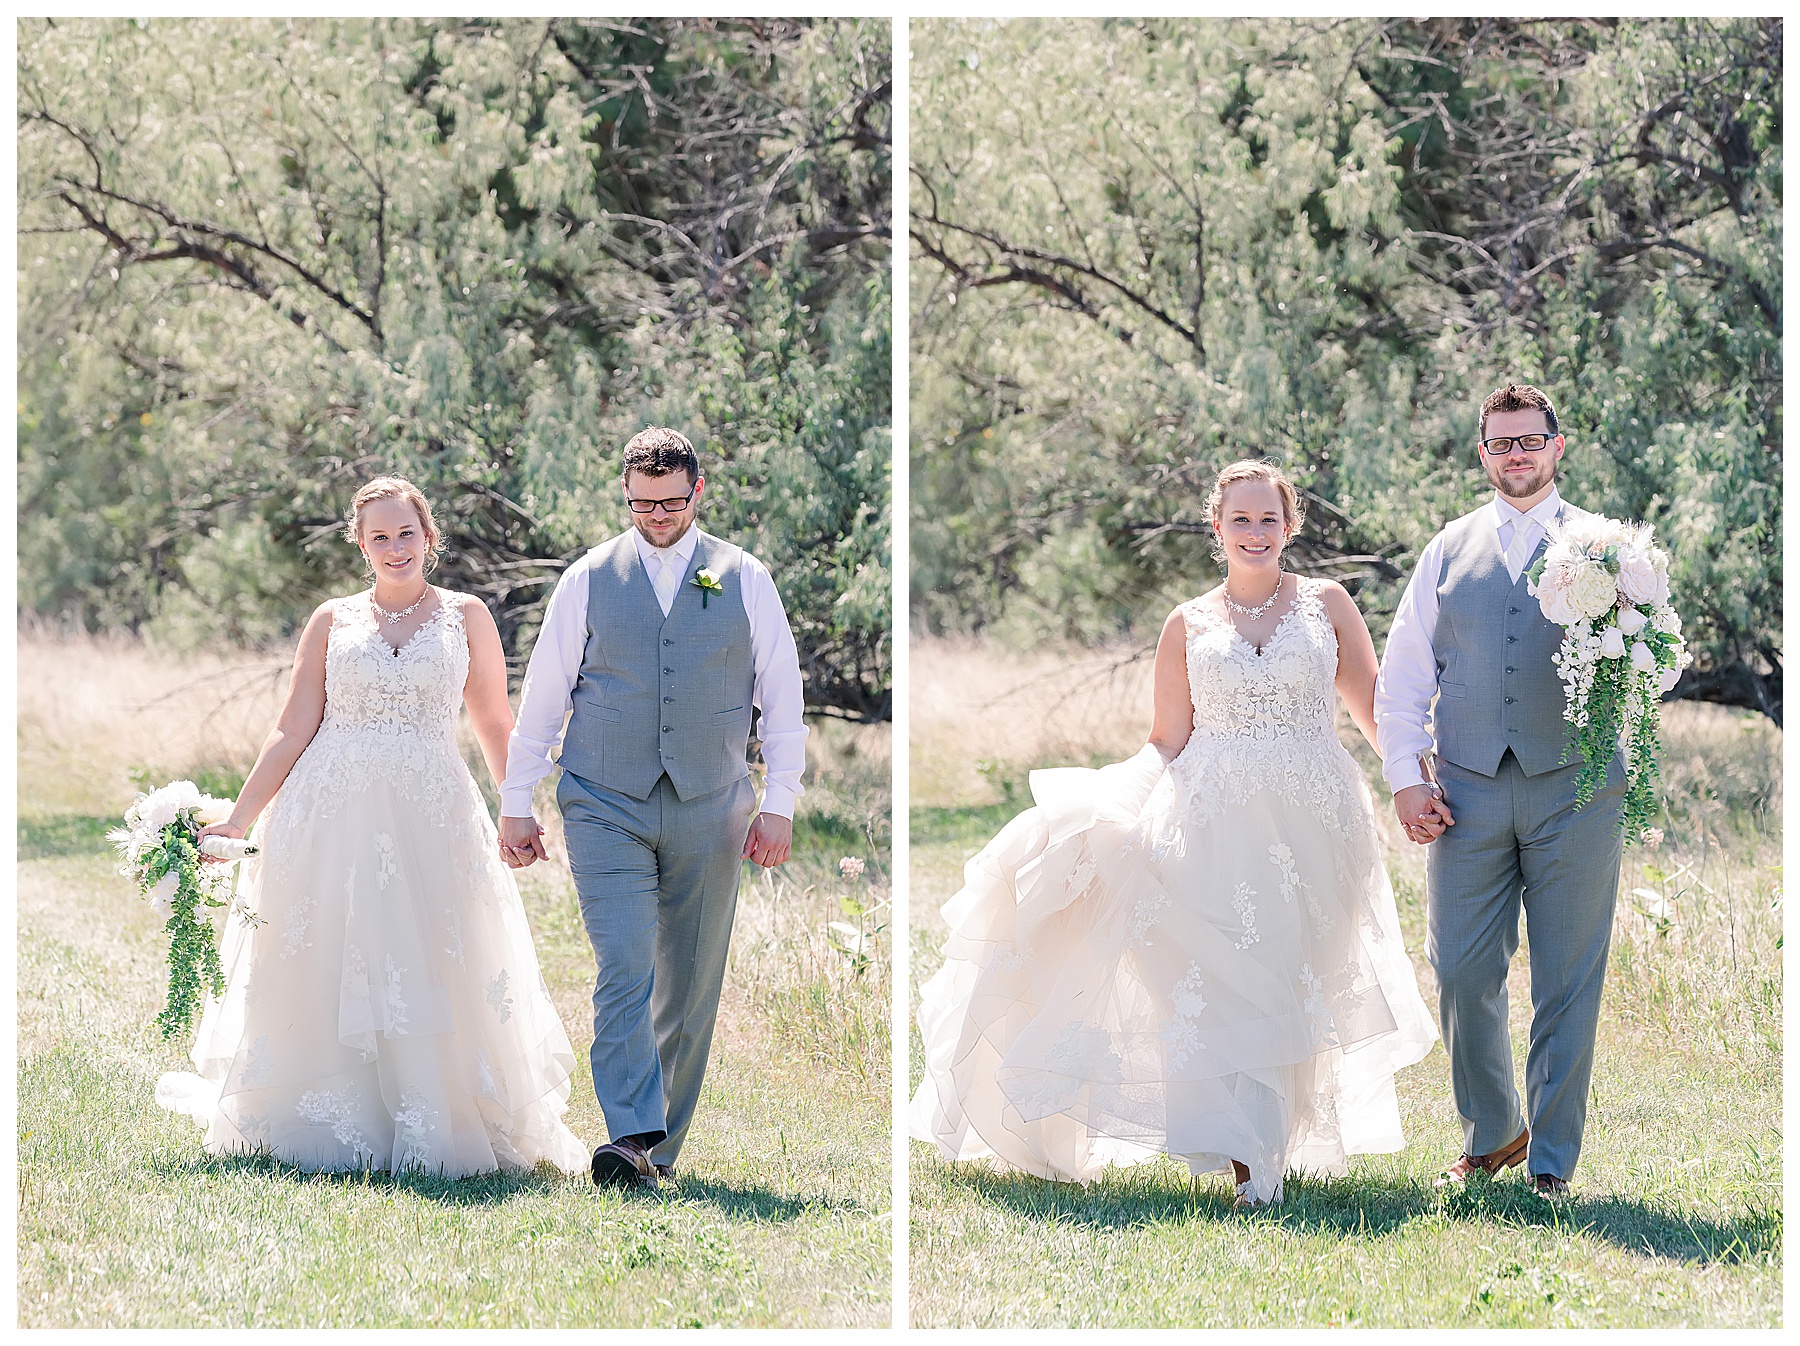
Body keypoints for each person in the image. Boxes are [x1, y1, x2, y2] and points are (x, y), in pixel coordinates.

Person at [912, 460, 1437, 1207]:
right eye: (1240, 520)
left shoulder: (1328, 606)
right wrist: (1100, 802)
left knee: (1293, 977)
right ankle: (1254, 1163)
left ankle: (1270, 1147)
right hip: (1212, 821)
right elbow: (1166, 739)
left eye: (1269, 520)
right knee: (1230, 985)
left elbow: (1377, 711)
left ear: (1290, 527)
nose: (1255, 534)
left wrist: (1421, 769)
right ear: (1216, 528)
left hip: (1316, 823)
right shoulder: (1186, 623)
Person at [158, 477, 589, 1176]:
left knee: (430, 951)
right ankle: (327, 1117)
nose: (395, 548)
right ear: (360, 543)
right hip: (328, 810)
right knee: (331, 949)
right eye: (379, 536)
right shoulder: (332, 620)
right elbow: (292, 727)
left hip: (430, 810)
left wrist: (518, 811)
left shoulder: (465, 616)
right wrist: (238, 821)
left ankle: (434, 1115)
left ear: (429, 537)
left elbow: (491, 722)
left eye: (406, 533)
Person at [498, 426, 807, 1190]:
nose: (656, 516)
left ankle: (655, 1151)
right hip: (606, 800)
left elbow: (783, 697)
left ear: (698, 492)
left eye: (670, 502)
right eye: (641, 504)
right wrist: (517, 801)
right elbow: (542, 698)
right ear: (626, 496)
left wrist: (782, 803)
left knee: (691, 981)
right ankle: (629, 1130)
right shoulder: (588, 577)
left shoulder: (744, 577)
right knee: (625, 964)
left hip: (713, 802)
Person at [1375, 382, 1622, 1202]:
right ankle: (1493, 1131)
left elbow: (1651, 660)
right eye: (1500, 443)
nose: (1515, 454)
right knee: (1459, 967)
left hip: (1578, 790)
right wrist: (1407, 778)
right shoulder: (1448, 548)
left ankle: (1550, 1161)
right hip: (1468, 791)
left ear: (1559, 445)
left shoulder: (1607, 548)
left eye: (1530, 440)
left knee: (1567, 979)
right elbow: (1405, 674)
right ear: (1483, 454)